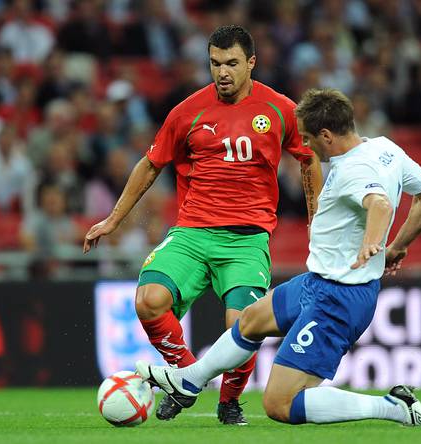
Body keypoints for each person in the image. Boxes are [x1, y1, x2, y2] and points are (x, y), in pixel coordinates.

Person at [136, 88, 421, 427]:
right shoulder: (386, 148)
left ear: (326, 135)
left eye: (309, 138)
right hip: (317, 282)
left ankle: (393, 407)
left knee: (280, 404)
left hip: (338, 298)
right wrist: (398, 246)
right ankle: (189, 380)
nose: (305, 146)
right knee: (251, 319)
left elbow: (380, 205)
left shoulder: (354, 171)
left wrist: (373, 242)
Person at [83, 25, 323, 425]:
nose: (222, 72)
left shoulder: (280, 109)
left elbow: (309, 158)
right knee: (148, 300)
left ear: (251, 63)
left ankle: (229, 402)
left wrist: (316, 222)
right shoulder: (187, 111)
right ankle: (185, 378)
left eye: (231, 63)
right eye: (214, 63)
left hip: (246, 240)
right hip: (192, 232)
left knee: (243, 326)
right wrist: (112, 219)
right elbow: (151, 164)